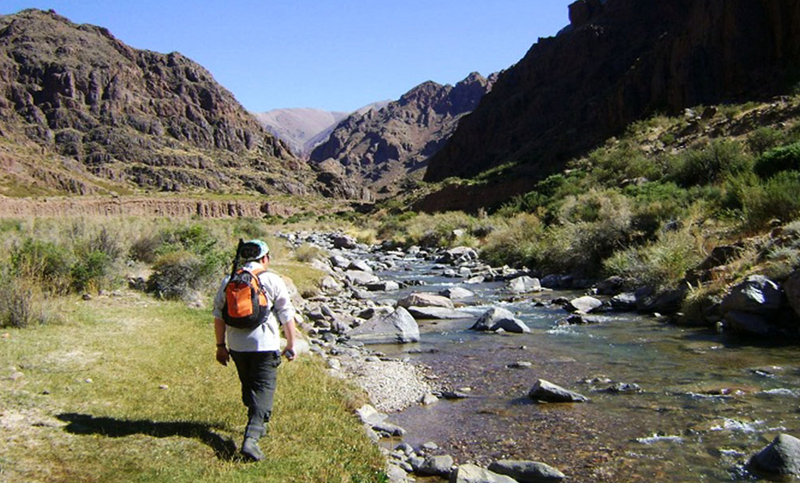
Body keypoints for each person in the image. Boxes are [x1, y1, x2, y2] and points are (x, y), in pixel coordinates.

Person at [212, 239, 297, 462]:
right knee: (264, 390)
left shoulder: (229, 280)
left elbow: (218, 316)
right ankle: (251, 438)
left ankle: (257, 422)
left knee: (249, 386)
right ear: (265, 258)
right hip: (265, 345)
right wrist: (291, 344)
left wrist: (220, 346)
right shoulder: (271, 279)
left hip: (237, 345)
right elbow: (286, 314)